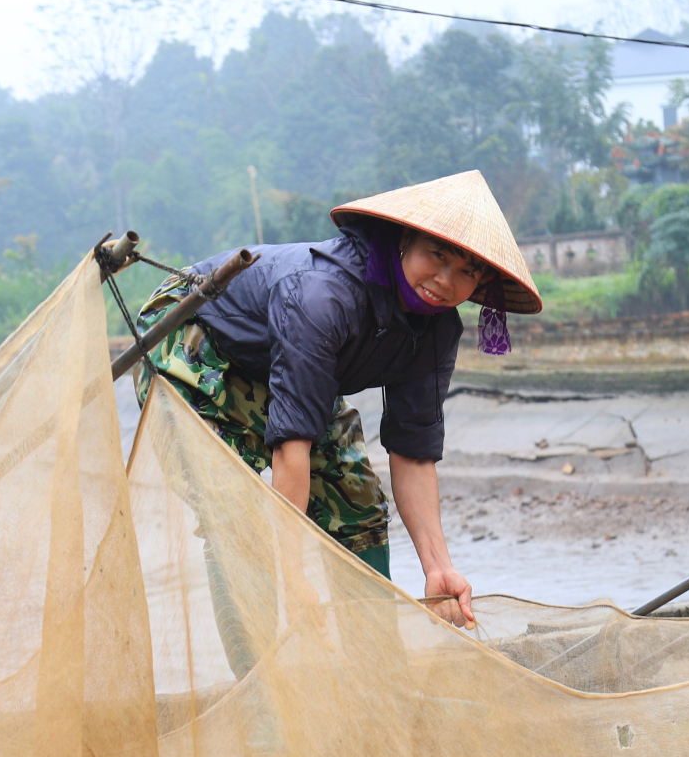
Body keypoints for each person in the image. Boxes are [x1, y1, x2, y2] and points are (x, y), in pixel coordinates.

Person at [134, 170, 541, 629]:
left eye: (468, 271)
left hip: (280, 366)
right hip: (196, 333)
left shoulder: (436, 329)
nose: (446, 281)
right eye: (438, 255)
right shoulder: (322, 295)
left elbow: (413, 451)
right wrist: (290, 573)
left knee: (358, 501)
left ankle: (372, 668)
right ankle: (260, 687)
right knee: (236, 515)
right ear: (404, 239)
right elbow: (293, 442)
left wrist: (438, 565)